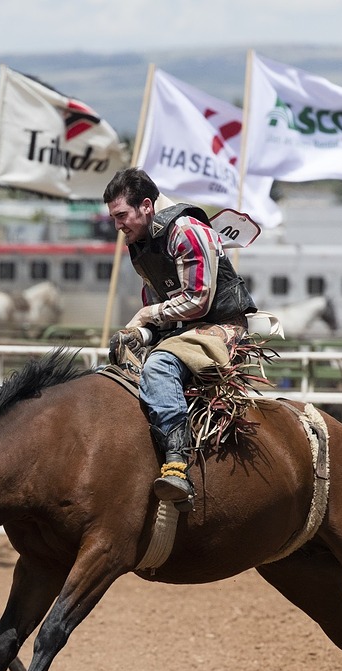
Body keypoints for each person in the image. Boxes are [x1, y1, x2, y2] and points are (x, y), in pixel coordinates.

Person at [102, 167, 257, 510]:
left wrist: (143, 319)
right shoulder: (140, 243)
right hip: (180, 331)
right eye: (114, 218)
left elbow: (198, 299)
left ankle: (177, 462)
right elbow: (157, 303)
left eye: (121, 216)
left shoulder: (187, 231)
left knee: (158, 366)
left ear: (145, 206)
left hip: (222, 325)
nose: (118, 226)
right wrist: (138, 333)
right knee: (113, 366)